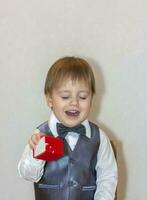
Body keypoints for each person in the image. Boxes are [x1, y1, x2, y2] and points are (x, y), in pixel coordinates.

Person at [18, 56, 118, 200]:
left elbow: (108, 177)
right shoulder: (42, 134)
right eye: (65, 96)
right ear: (50, 100)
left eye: (83, 97)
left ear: (92, 100)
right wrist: (37, 153)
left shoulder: (99, 137)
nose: (74, 103)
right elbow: (28, 175)